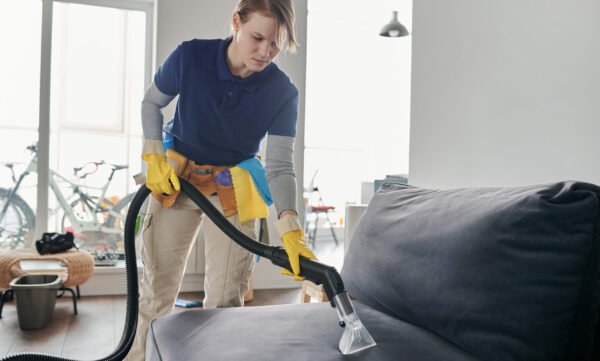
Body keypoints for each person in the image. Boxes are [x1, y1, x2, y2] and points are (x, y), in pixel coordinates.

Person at [125, 0, 316, 360]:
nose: (265, 52)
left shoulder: (282, 91)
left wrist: (290, 225)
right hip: (176, 181)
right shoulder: (189, 57)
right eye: (257, 38)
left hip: (233, 187)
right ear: (236, 22)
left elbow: (278, 164)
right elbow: (152, 102)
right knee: (156, 294)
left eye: (275, 44)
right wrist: (152, 152)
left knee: (227, 299)